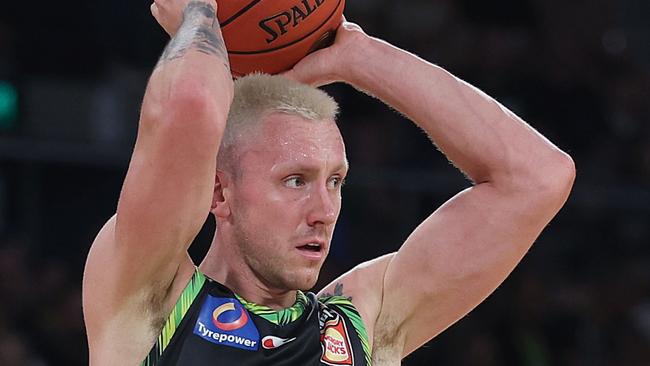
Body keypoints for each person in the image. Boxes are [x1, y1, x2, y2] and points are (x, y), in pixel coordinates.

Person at [82, 0, 576, 365]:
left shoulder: (362, 324)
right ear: (219, 193)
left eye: (336, 180)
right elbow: (190, 102)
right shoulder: (151, 299)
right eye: (295, 180)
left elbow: (538, 177)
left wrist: (358, 54)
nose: (325, 209)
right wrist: (200, 14)